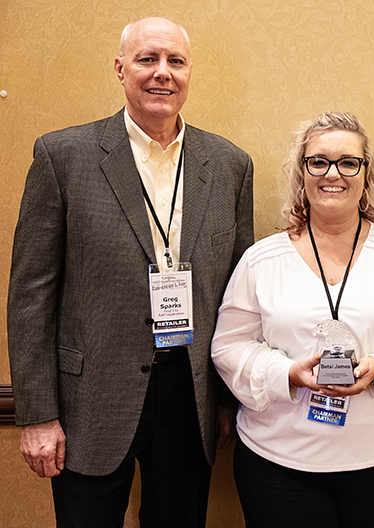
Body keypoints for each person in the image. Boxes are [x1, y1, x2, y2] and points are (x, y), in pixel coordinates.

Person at [7, 17, 254, 527]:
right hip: (89, 400)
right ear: (121, 70)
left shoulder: (230, 164)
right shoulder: (63, 156)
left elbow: (239, 296)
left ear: (189, 73)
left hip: (192, 397)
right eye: (147, 59)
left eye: (176, 61)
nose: (162, 73)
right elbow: (30, 294)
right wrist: (36, 414)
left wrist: (230, 401)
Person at [211, 111, 374, 528]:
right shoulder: (261, 259)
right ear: (302, 173)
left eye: (348, 162)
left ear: (366, 175)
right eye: (318, 161)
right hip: (279, 465)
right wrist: (286, 372)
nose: (333, 174)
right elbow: (228, 346)